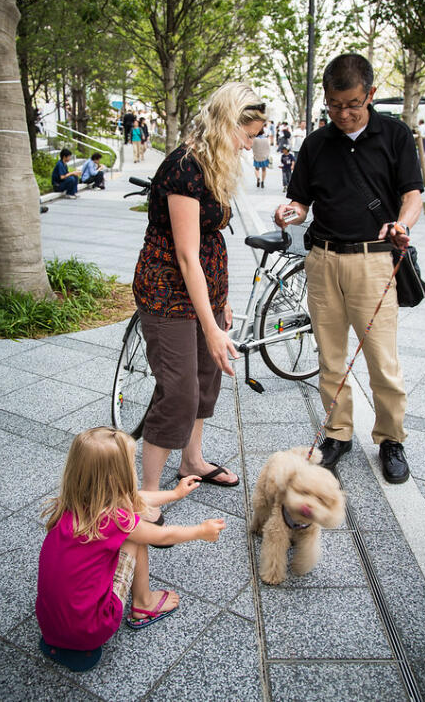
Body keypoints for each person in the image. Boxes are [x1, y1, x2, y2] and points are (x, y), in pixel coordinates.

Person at [274, 52, 423, 484]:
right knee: (330, 357)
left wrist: (402, 222)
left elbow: (412, 195)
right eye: (334, 105)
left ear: (370, 95)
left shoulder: (394, 135)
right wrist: (291, 212)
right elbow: (302, 201)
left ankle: (391, 439)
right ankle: (337, 434)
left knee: (382, 360)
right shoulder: (316, 144)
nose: (342, 113)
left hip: (374, 261)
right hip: (321, 261)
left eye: (353, 104)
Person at [132, 82, 267, 522]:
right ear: (227, 122)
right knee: (179, 391)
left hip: (205, 290)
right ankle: (146, 493)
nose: (249, 145)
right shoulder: (185, 167)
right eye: (246, 135)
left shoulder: (216, 163)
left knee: (207, 377)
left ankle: (192, 460)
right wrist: (210, 327)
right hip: (169, 291)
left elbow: (211, 244)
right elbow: (187, 255)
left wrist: (220, 302)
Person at [36, 426, 225, 672]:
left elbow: (132, 498)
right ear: (118, 475)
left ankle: (138, 601)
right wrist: (200, 532)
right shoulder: (115, 520)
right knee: (136, 536)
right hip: (91, 629)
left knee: (131, 524)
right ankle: (144, 604)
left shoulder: (69, 505)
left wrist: (175, 494)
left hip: (50, 624)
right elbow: (163, 534)